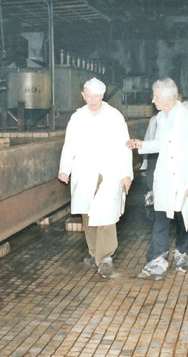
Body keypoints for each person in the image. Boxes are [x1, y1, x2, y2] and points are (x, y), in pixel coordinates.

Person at [126, 78, 188, 280]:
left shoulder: (187, 118)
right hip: (166, 177)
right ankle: (157, 260)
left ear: (168, 98)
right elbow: (162, 144)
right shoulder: (161, 117)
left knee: (183, 218)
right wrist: (142, 145)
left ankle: (182, 252)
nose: (153, 100)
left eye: (156, 96)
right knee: (160, 217)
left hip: (184, 177)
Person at [58, 77, 133, 279]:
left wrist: (126, 174)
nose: (93, 100)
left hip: (110, 172)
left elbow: (125, 147)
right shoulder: (77, 118)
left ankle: (106, 258)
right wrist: (64, 169)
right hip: (84, 172)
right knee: (88, 215)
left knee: (107, 216)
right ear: (83, 96)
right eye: (89, 97)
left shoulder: (114, 117)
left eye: (97, 97)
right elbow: (69, 145)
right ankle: (94, 253)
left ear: (102, 96)